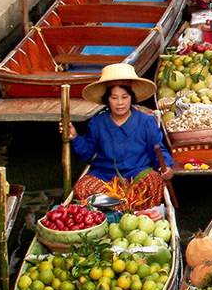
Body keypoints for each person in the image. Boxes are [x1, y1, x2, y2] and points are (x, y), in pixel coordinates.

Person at [65, 63, 172, 205]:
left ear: (131, 97)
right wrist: (75, 137)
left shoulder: (146, 121)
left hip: (137, 175)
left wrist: (166, 166)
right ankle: (125, 207)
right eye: (114, 98)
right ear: (107, 100)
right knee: (83, 188)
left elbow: (158, 150)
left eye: (124, 97)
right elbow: (87, 153)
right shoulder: (97, 122)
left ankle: (119, 207)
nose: (120, 103)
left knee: (153, 181)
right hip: (105, 176)